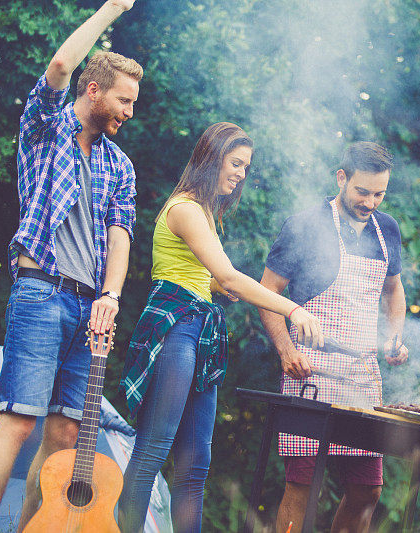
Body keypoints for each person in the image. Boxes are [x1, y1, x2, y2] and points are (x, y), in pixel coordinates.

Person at [0, 2, 142, 531]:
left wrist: (111, 297)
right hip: (41, 292)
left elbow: (121, 234)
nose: (129, 112)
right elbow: (61, 69)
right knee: (20, 419)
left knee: (66, 436)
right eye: (124, 99)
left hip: (90, 307)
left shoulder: (120, 164)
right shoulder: (47, 127)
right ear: (95, 91)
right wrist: (112, 7)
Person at [117, 122, 324, 533]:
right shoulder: (186, 209)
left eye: (246, 166)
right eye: (235, 163)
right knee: (153, 451)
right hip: (175, 326)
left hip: (201, 332)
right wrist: (293, 309)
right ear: (212, 158)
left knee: (196, 463)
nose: (241, 173)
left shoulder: (207, 214)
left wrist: (214, 285)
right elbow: (229, 277)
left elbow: (204, 275)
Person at [259, 141, 409, 533]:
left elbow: (394, 290)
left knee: (367, 491)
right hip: (309, 373)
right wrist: (286, 350)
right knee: (302, 487)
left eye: (380, 193)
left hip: (361, 376)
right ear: (342, 178)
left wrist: (394, 337)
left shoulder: (386, 229)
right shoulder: (307, 224)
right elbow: (268, 291)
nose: (371, 201)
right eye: (363, 191)